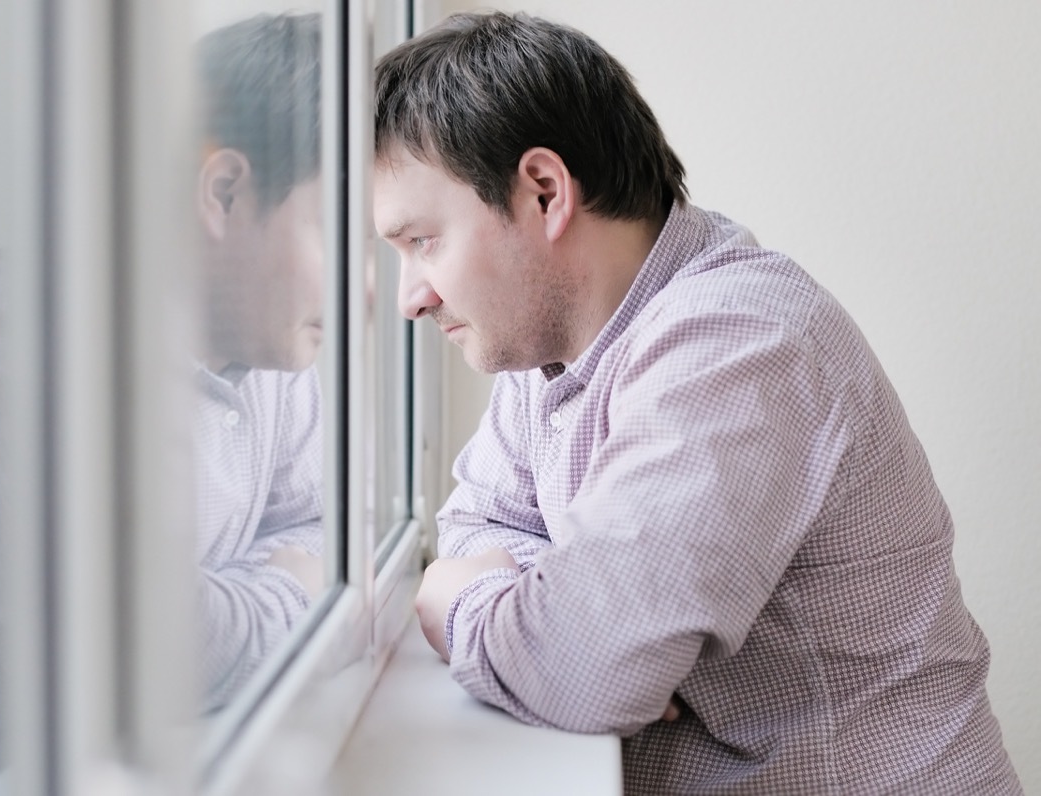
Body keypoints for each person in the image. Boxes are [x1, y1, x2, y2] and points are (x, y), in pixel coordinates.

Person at [373, 11, 1022, 794]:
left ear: (544, 192)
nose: (412, 296)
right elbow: (480, 525)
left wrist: (459, 595)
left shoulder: (739, 344)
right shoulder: (547, 349)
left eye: (422, 241)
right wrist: (576, 611)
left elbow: (580, 668)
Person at [0, 13, 325, 793]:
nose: (376, 292)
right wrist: (288, 587)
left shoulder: (271, 354)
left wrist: (229, 605)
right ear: (225, 191)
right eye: (337, 234)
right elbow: (145, 651)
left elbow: (323, 533)